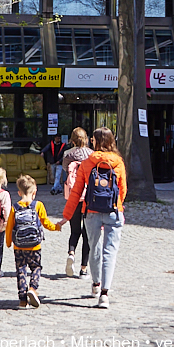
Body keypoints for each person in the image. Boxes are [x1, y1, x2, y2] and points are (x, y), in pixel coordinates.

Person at [57, 127, 126, 309]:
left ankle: (96, 284)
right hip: (113, 210)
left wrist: (66, 216)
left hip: (91, 211)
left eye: (94, 140)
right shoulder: (118, 162)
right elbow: (123, 190)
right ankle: (105, 293)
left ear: (97, 142)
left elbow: (76, 192)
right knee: (109, 251)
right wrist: (116, 204)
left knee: (94, 247)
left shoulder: (88, 163)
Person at [6, 174, 61, 309]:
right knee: (36, 267)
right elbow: (46, 223)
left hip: (18, 247)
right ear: (34, 192)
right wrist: (57, 227)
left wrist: (8, 242)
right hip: (35, 246)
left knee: (21, 270)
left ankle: (22, 301)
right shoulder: (38, 205)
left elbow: (9, 227)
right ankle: (33, 288)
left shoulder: (15, 207)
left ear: (19, 192)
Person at [60, 127, 93, 278]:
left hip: (74, 196)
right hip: (88, 196)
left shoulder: (68, 154)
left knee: (74, 230)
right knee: (87, 233)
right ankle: (83, 269)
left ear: (72, 140)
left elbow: (65, 171)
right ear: (86, 139)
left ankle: (71, 253)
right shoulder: (91, 155)